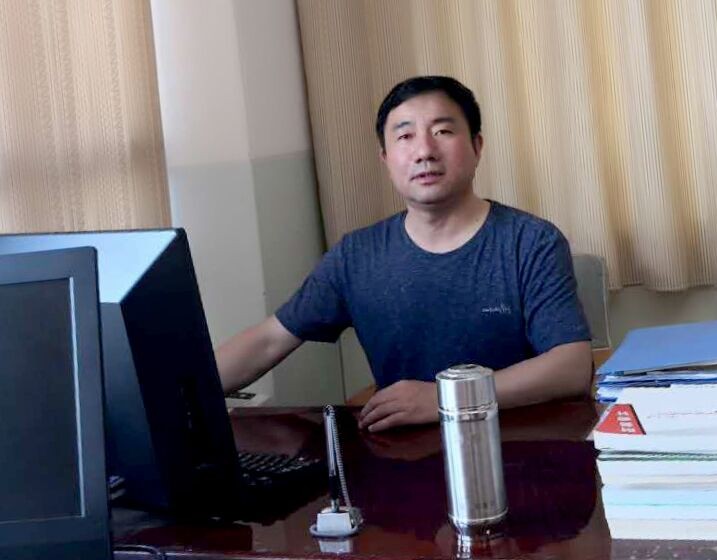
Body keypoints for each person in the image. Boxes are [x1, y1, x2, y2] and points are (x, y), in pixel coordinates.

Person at [216, 75, 592, 432]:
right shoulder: (357, 256)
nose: (424, 151)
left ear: (477, 146)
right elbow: (269, 340)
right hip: (404, 455)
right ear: (385, 158)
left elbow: (571, 367)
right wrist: (184, 392)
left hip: (522, 447)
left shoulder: (530, 242)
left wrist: (447, 398)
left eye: (443, 132)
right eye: (405, 136)